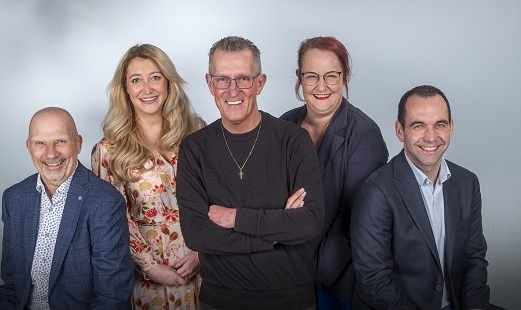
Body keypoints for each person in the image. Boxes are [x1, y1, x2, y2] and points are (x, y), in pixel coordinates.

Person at [176, 36, 325, 310]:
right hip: (220, 301)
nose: (233, 91)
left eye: (243, 79)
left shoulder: (293, 141)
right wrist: (278, 234)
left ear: (260, 83)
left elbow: (310, 222)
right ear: (210, 84)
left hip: (291, 301)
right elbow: (197, 235)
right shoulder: (194, 149)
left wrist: (235, 217)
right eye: (223, 80)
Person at [351, 85, 491, 310]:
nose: (431, 137)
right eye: (418, 126)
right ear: (400, 131)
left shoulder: (467, 183)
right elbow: (374, 281)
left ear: (451, 127)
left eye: (440, 124)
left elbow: (473, 258)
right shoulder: (375, 191)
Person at [91, 43, 205, 309]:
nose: (147, 88)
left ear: (168, 82)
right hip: (148, 280)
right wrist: (150, 267)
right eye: (136, 80)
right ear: (126, 89)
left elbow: (218, 196)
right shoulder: (108, 151)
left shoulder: (198, 131)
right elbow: (115, 218)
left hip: (202, 266)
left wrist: (201, 253)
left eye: (155, 77)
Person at [281, 36, 388, 309]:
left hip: (335, 282)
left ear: (345, 76)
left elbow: (355, 224)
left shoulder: (365, 135)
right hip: (282, 272)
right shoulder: (284, 125)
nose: (321, 86)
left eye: (331, 75)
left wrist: (307, 273)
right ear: (299, 77)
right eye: (311, 76)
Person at [0, 107, 133, 310]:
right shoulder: (14, 198)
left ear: (78, 143)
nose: (51, 153)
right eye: (40, 143)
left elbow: (112, 296)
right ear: (29, 146)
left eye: (61, 141)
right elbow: (11, 286)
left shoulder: (105, 201)